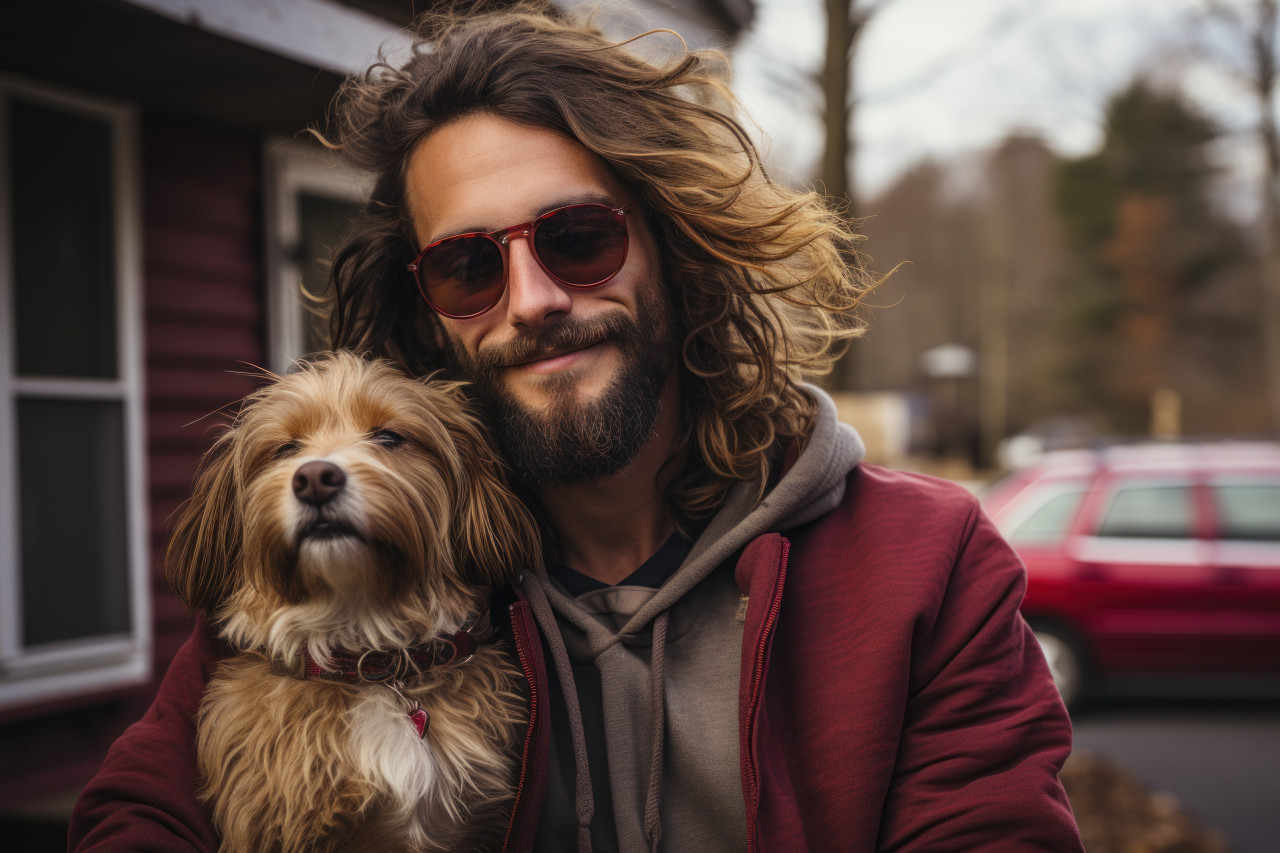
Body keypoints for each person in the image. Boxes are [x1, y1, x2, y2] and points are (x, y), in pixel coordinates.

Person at [71, 6, 1083, 852]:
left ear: (673, 246)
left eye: (578, 238)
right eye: (468, 265)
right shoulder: (351, 594)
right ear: (428, 308)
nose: (533, 297)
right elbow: (137, 815)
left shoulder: (921, 565)